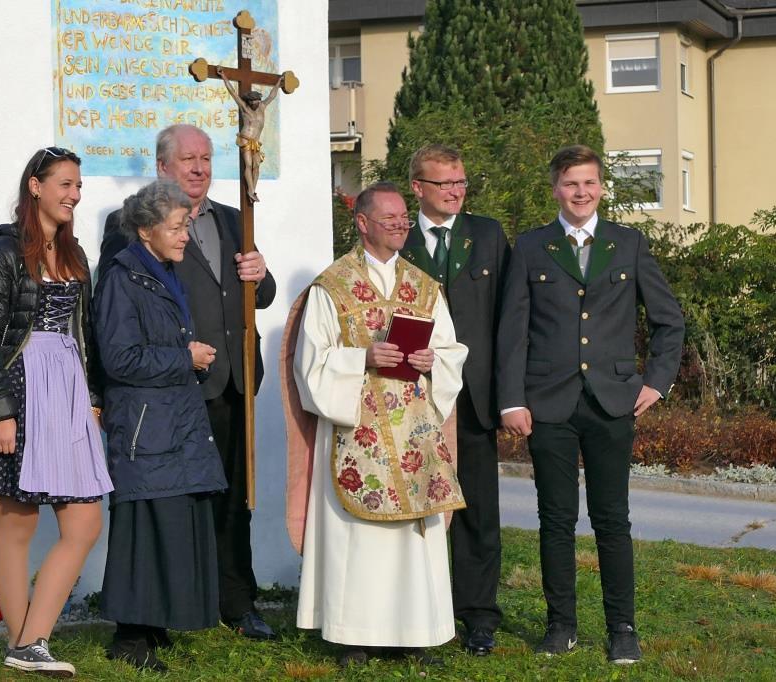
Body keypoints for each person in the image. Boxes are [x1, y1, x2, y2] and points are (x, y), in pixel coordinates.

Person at [496, 145, 685, 665]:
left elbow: (669, 320)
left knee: (612, 519)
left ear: (601, 188)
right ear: (555, 189)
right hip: (547, 402)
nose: (581, 193)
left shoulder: (628, 244)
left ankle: (622, 628)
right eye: (571, 184)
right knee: (555, 520)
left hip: (613, 402)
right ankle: (561, 626)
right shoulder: (531, 247)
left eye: (589, 183)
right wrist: (511, 399)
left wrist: (657, 382)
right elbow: (512, 331)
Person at [99, 124, 278, 640]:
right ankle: (174, 605)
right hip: (176, 388)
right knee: (176, 503)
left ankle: (237, 601)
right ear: (163, 167)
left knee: (235, 498)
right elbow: (120, 303)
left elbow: (258, 298)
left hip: (235, 379)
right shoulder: (131, 225)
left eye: (206, 158)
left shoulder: (235, 219)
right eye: (188, 160)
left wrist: (261, 275)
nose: (200, 168)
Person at [282, 182, 469, 667]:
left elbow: (451, 350)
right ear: (362, 223)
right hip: (357, 430)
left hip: (413, 432)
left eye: (404, 218)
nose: (401, 225)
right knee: (357, 538)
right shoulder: (333, 286)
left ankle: (415, 633)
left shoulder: (424, 287)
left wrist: (432, 361)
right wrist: (362, 357)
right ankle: (354, 637)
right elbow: (311, 362)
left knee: (411, 542)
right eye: (390, 218)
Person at [0, 146, 114, 677]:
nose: (75, 195)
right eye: (65, 185)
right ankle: (23, 643)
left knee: (85, 522)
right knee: (17, 521)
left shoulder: (74, 254)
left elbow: (85, 333)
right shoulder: (2, 251)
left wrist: (92, 397)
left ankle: (30, 640)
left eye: (78, 186)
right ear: (36, 186)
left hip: (67, 388)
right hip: (19, 389)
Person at [94, 180, 228, 672]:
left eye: (186, 226)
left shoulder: (162, 273)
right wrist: (184, 358)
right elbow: (120, 358)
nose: (185, 236)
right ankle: (130, 638)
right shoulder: (122, 278)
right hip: (145, 425)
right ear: (146, 230)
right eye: (175, 227)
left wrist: (191, 361)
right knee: (144, 527)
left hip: (172, 419)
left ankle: (153, 624)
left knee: (171, 521)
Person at [400, 144, 510, 656]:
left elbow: (509, 319)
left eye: (461, 182)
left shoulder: (487, 236)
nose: (456, 191)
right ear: (417, 188)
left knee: (477, 511)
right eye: (444, 183)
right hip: (410, 397)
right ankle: (415, 611)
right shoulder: (397, 237)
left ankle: (478, 615)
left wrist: (509, 394)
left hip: (473, 397)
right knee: (414, 506)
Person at [218, 67, 283, 203]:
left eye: (257, 100)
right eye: (252, 101)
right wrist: (223, 76)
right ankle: (250, 190)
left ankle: (253, 190)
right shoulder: (244, 108)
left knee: (256, 166)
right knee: (248, 164)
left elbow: (272, 95)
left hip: (256, 142)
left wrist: (279, 82)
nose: (255, 103)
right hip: (245, 140)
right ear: (249, 101)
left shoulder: (262, 107)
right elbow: (233, 92)